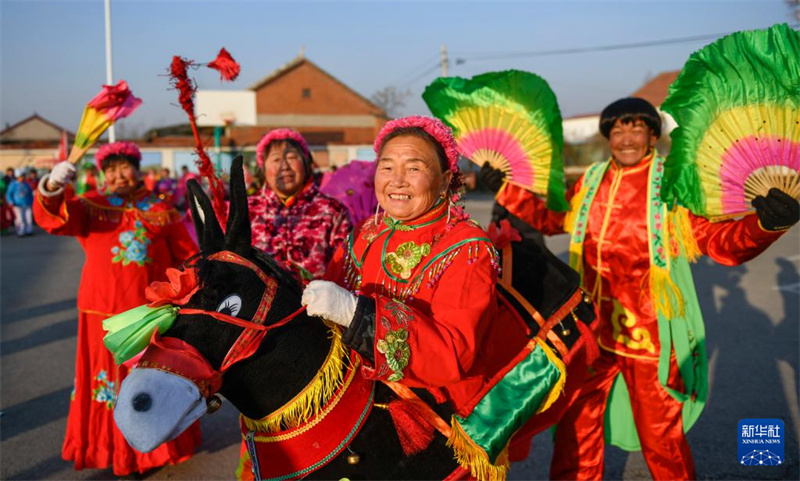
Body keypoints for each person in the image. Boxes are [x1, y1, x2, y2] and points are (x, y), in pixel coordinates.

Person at [481, 97, 799, 480]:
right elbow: (554, 219)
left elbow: (717, 241)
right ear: (608, 137)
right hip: (591, 330)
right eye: (618, 129)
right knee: (574, 434)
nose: (627, 138)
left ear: (652, 136)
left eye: (637, 128)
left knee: (662, 440)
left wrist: (764, 226)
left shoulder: (673, 187)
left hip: (650, 339)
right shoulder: (592, 180)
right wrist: (506, 190)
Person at [300, 116, 563, 480]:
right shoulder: (366, 232)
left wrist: (356, 313)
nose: (397, 180)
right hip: (366, 411)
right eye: (387, 167)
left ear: (445, 179)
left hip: (441, 421)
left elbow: (453, 352)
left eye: (414, 168)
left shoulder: (467, 246)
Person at [33, 141, 202, 476]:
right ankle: (111, 448)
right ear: (103, 174)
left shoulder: (160, 208)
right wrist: (52, 186)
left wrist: (189, 295)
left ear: (137, 169)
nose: (118, 175)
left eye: (125, 167)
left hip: (149, 318)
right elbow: (54, 219)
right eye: (110, 170)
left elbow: (187, 256)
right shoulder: (90, 206)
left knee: (150, 383)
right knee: (107, 386)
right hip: (101, 318)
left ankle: (152, 449)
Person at [248, 128, 351, 280]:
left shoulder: (332, 210)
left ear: (306, 163)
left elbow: (345, 268)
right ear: (262, 169)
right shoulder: (247, 210)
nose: (284, 166)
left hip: (317, 294)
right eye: (276, 159)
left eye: (291, 157)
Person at [6, 167, 34, 236]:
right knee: (20, 219)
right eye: (22, 176)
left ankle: (29, 230)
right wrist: (10, 202)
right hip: (17, 205)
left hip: (27, 204)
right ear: (17, 177)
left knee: (28, 218)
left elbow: (30, 194)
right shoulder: (13, 185)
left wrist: (32, 201)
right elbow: (9, 194)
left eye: (24, 176)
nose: (23, 178)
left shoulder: (26, 184)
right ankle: (21, 231)